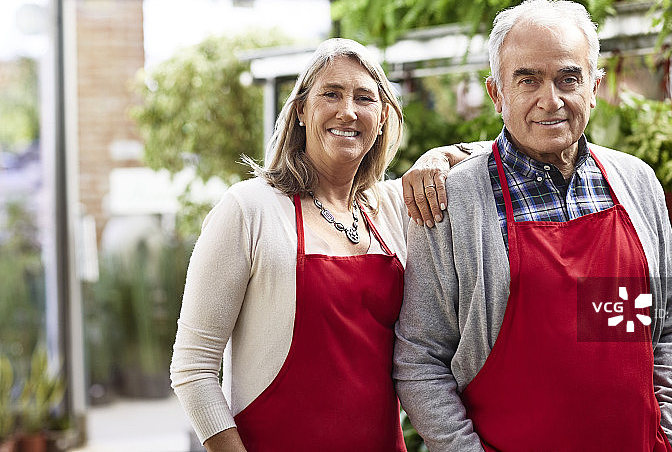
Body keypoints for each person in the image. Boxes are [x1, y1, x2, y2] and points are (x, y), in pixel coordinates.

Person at [394, 0, 672, 452]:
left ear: (594, 87)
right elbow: (420, 359)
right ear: (497, 94)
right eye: (527, 79)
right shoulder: (450, 201)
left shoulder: (637, 182)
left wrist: (666, 437)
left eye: (568, 79)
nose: (550, 101)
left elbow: (668, 326)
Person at [170, 38, 478, 451]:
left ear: (383, 118)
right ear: (300, 109)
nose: (347, 111)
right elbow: (193, 369)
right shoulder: (249, 209)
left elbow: (506, 152)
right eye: (331, 94)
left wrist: (439, 156)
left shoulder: (394, 208)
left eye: (364, 98)